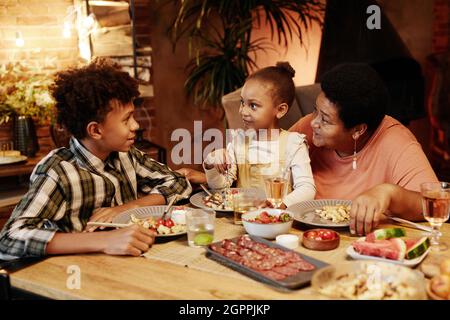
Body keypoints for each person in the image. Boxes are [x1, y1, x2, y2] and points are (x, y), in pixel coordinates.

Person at [0, 59, 191, 260]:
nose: (135, 126)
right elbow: (10, 238)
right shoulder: (58, 171)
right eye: (126, 119)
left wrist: (128, 208)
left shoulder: (127, 154)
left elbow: (176, 181)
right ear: (95, 130)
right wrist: (106, 241)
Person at [289, 63, 438, 235]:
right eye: (316, 111)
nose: (314, 122)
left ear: (358, 130)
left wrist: (389, 193)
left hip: (358, 244)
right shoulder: (308, 128)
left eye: (326, 120)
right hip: (302, 236)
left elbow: (434, 204)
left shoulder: (396, 142)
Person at [203, 62, 316, 208]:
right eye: (242, 102)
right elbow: (221, 188)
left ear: (280, 110)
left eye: (253, 105)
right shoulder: (239, 141)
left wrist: (278, 204)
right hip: (242, 219)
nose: (242, 111)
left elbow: (307, 189)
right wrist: (211, 163)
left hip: (277, 221)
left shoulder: (293, 143)